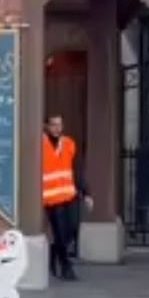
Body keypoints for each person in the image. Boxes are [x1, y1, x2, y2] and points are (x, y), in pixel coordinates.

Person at [42, 114, 93, 280]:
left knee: (69, 231)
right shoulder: (40, 145)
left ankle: (52, 256)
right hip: (50, 198)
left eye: (60, 125)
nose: (57, 128)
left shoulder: (69, 144)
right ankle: (65, 266)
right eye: (54, 125)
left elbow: (77, 170)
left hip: (69, 195)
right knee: (59, 231)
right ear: (46, 126)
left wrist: (86, 193)